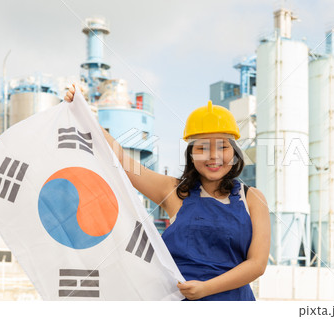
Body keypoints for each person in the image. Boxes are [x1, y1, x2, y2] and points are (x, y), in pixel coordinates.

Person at [65, 84, 270, 300]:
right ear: (191, 155)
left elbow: (257, 264)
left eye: (222, 147)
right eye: (202, 148)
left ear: (235, 152)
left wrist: (205, 288)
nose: (213, 156)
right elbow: (123, 162)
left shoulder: (252, 199)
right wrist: (86, 115)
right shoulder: (173, 191)